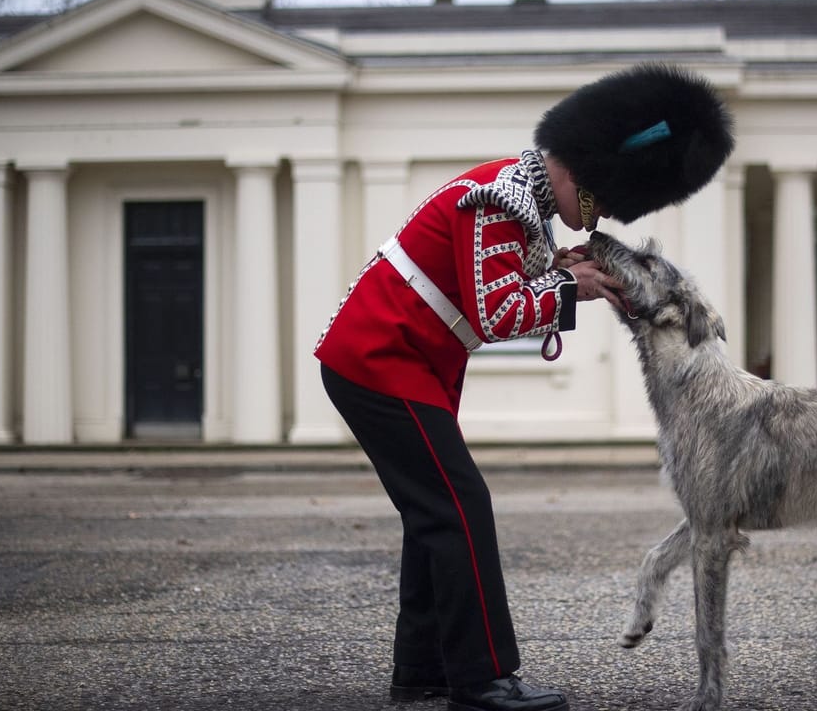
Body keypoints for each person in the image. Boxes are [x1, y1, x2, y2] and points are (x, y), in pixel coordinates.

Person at [314, 63, 734, 711]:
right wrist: (572, 287)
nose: (587, 219)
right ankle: (483, 680)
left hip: (402, 360)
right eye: (593, 200)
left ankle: (421, 670)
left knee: (433, 517)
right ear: (574, 167)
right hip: (378, 357)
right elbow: (494, 312)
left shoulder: (522, 199)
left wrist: (558, 271)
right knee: (460, 508)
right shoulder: (502, 198)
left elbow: (498, 278)